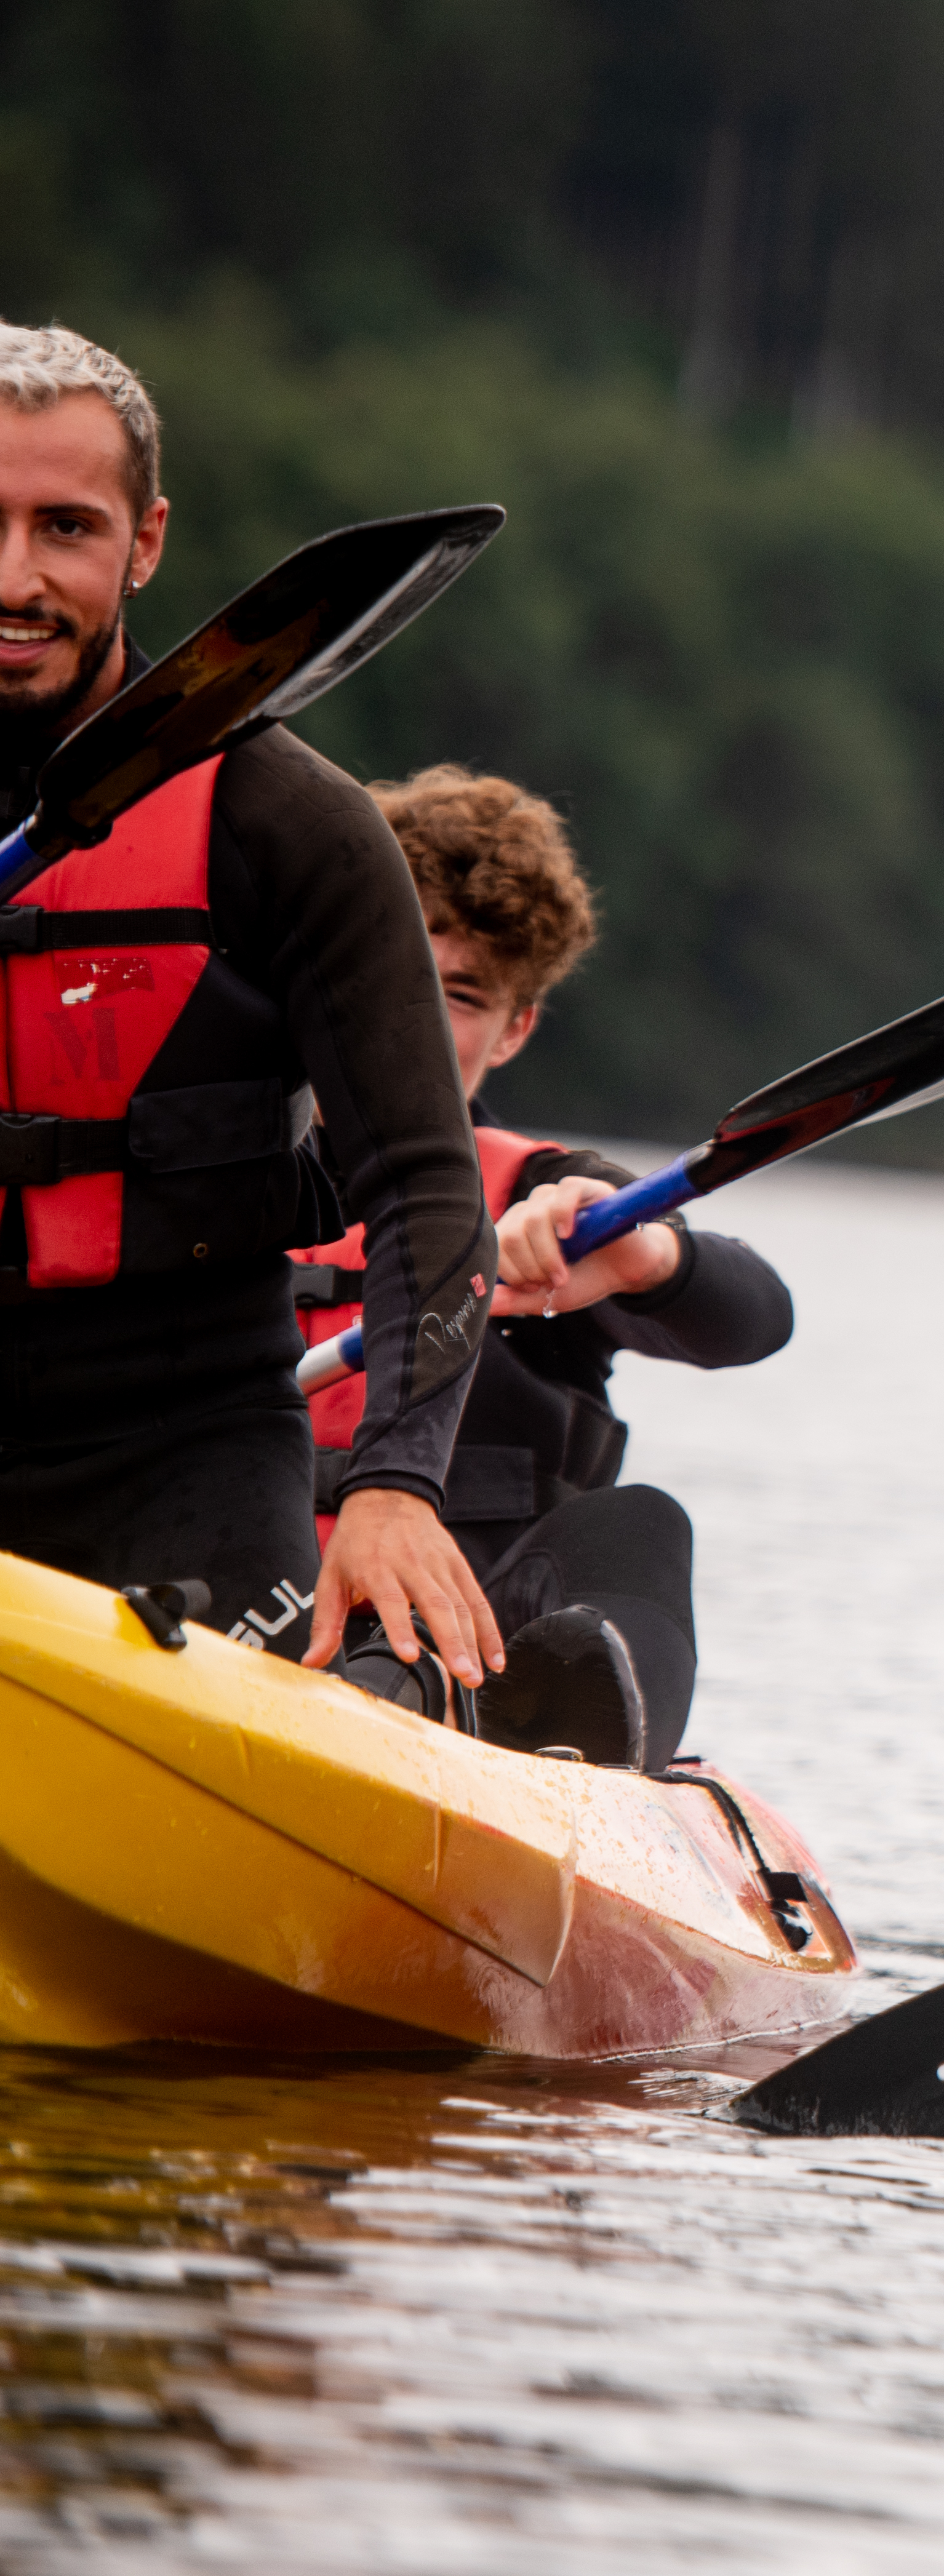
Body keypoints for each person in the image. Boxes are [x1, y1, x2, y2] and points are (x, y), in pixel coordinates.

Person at [0, 322, 495, 1688]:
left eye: (67, 527)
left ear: (146, 541)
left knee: (376, 1678)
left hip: (184, 1452)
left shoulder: (287, 825)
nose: (14, 578)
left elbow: (420, 1180)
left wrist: (395, 1483)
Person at [284, 770, 793, 1765]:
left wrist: (649, 1254)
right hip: (236, 1614)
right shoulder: (207, 1176)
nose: (416, 1014)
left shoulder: (549, 1193)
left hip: (464, 1673)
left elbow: (755, 1316)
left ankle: (571, 1765)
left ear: (516, 1028)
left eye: (464, 993)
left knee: (641, 1529)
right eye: (392, 968)